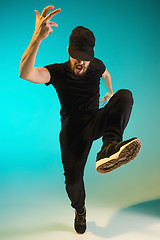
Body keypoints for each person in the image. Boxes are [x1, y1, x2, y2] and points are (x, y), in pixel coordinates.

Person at [19, 5, 141, 234]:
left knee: (125, 96)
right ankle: (80, 209)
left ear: (92, 55)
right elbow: (26, 73)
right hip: (72, 132)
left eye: (85, 59)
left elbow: (106, 74)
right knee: (73, 184)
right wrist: (37, 38)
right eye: (76, 57)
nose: (80, 63)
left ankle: (108, 148)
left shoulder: (96, 65)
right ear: (68, 51)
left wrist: (110, 92)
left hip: (95, 120)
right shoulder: (57, 72)